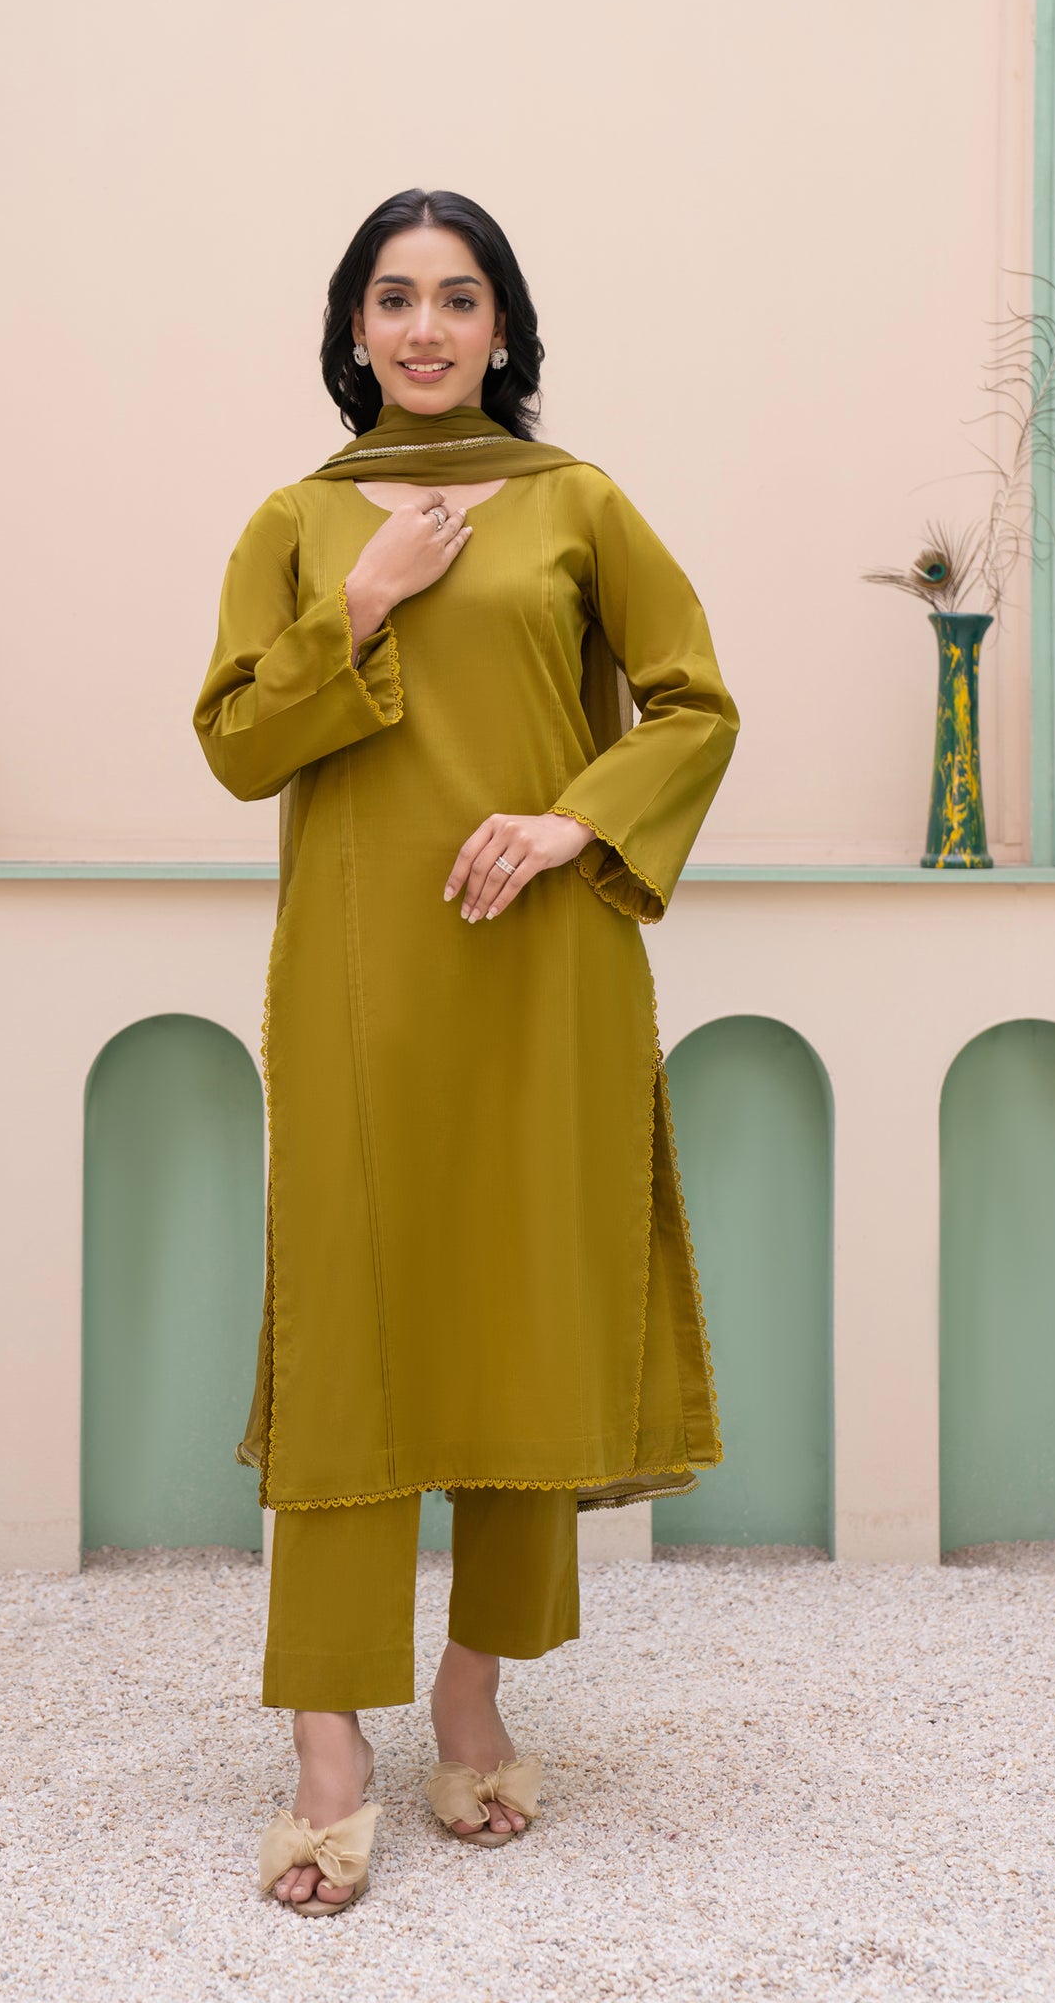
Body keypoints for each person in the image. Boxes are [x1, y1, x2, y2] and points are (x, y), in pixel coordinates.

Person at [192, 187, 739, 1915]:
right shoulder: (297, 523)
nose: (424, 328)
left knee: (518, 1322)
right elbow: (237, 745)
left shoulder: (579, 503)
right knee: (348, 1338)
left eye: (457, 297)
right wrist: (358, 601)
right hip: (360, 977)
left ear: (503, 327)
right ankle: (325, 1748)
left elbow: (694, 703)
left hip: (543, 975)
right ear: (352, 329)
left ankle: (473, 1696)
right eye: (393, 297)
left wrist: (577, 823)